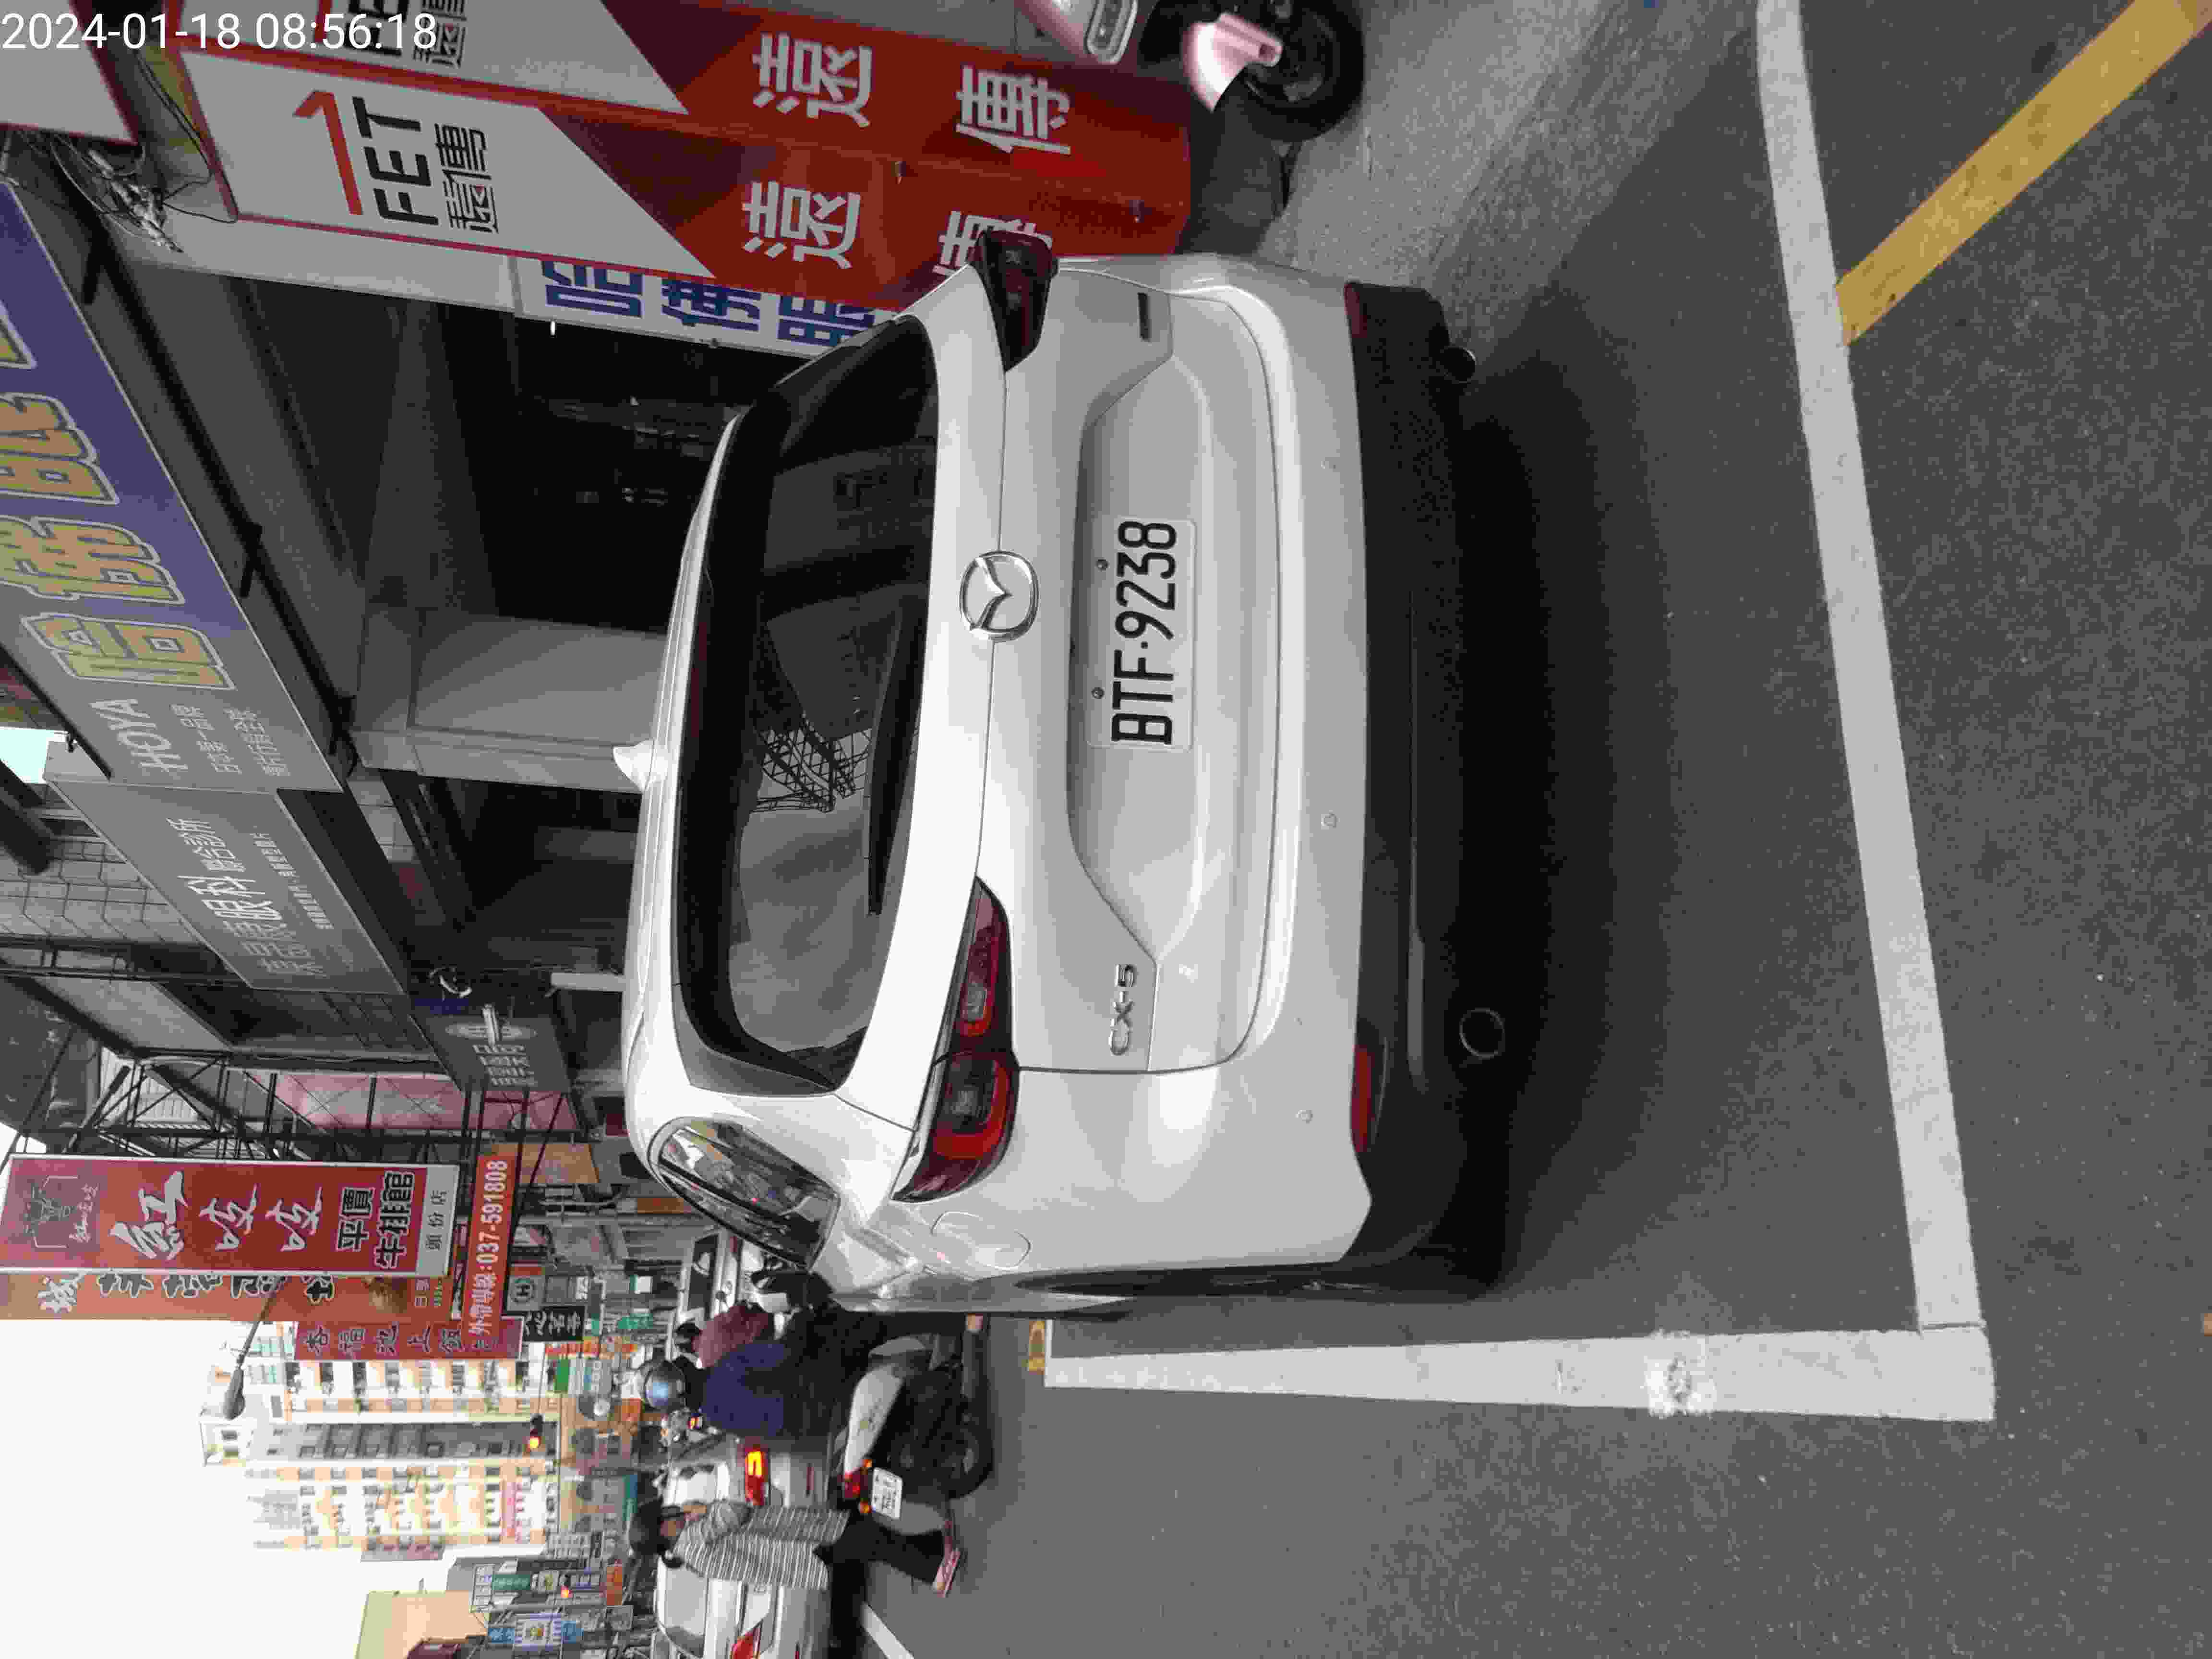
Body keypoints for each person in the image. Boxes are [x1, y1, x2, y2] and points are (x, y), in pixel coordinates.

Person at [630, 1495, 963, 1597]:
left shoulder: (689, 1546)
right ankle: (932, 1573)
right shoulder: (695, 1539)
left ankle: (934, 1546)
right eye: (665, 1513)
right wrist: (702, 1509)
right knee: (871, 1540)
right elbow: (736, 1513)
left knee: (869, 1536)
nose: (671, 1510)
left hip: (799, 1548)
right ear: (662, 1528)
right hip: (803, 1549)